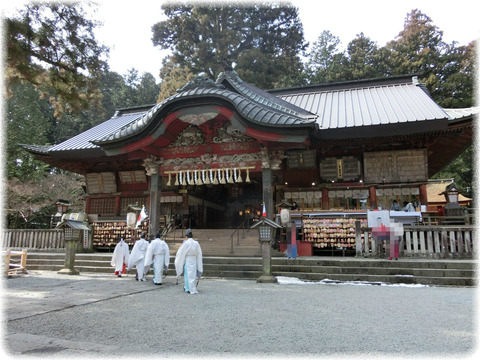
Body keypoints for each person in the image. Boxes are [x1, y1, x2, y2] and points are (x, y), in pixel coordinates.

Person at [175, 229, 203, 294]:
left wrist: (179, 262)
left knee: (187, 275)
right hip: (194, 260)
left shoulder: (186, 243)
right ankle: (192, 287)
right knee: (192, 275)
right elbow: (199, 253)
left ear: (186, 236)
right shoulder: (196, 243)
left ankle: (187, 287)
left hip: (188, 260)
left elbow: (180, 253)